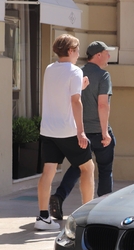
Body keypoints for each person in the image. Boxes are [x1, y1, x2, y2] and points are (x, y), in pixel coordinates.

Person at [49, 41, 115, 220]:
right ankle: (103, 211)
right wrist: (105, 133)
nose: (109, 56)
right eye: (106, 53)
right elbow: (102, 105)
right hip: (96, 130)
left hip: (77, 130)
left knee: (79, 167)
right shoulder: (103, 76)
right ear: (98, 55)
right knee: (104, 169)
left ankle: (59, 196)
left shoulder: (76, 71)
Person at [35, 34, 95, 230]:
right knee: (88, 168)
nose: (78, 54)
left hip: (48, 129)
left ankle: (43, 218)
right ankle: (87, 218)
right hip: (68, 130)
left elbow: (60, 92)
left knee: (48, 172)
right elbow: (75, 101)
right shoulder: (75, 71)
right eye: (77, 50)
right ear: (70, 51)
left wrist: (80, 87)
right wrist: (81, 131)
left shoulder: (49, 69)